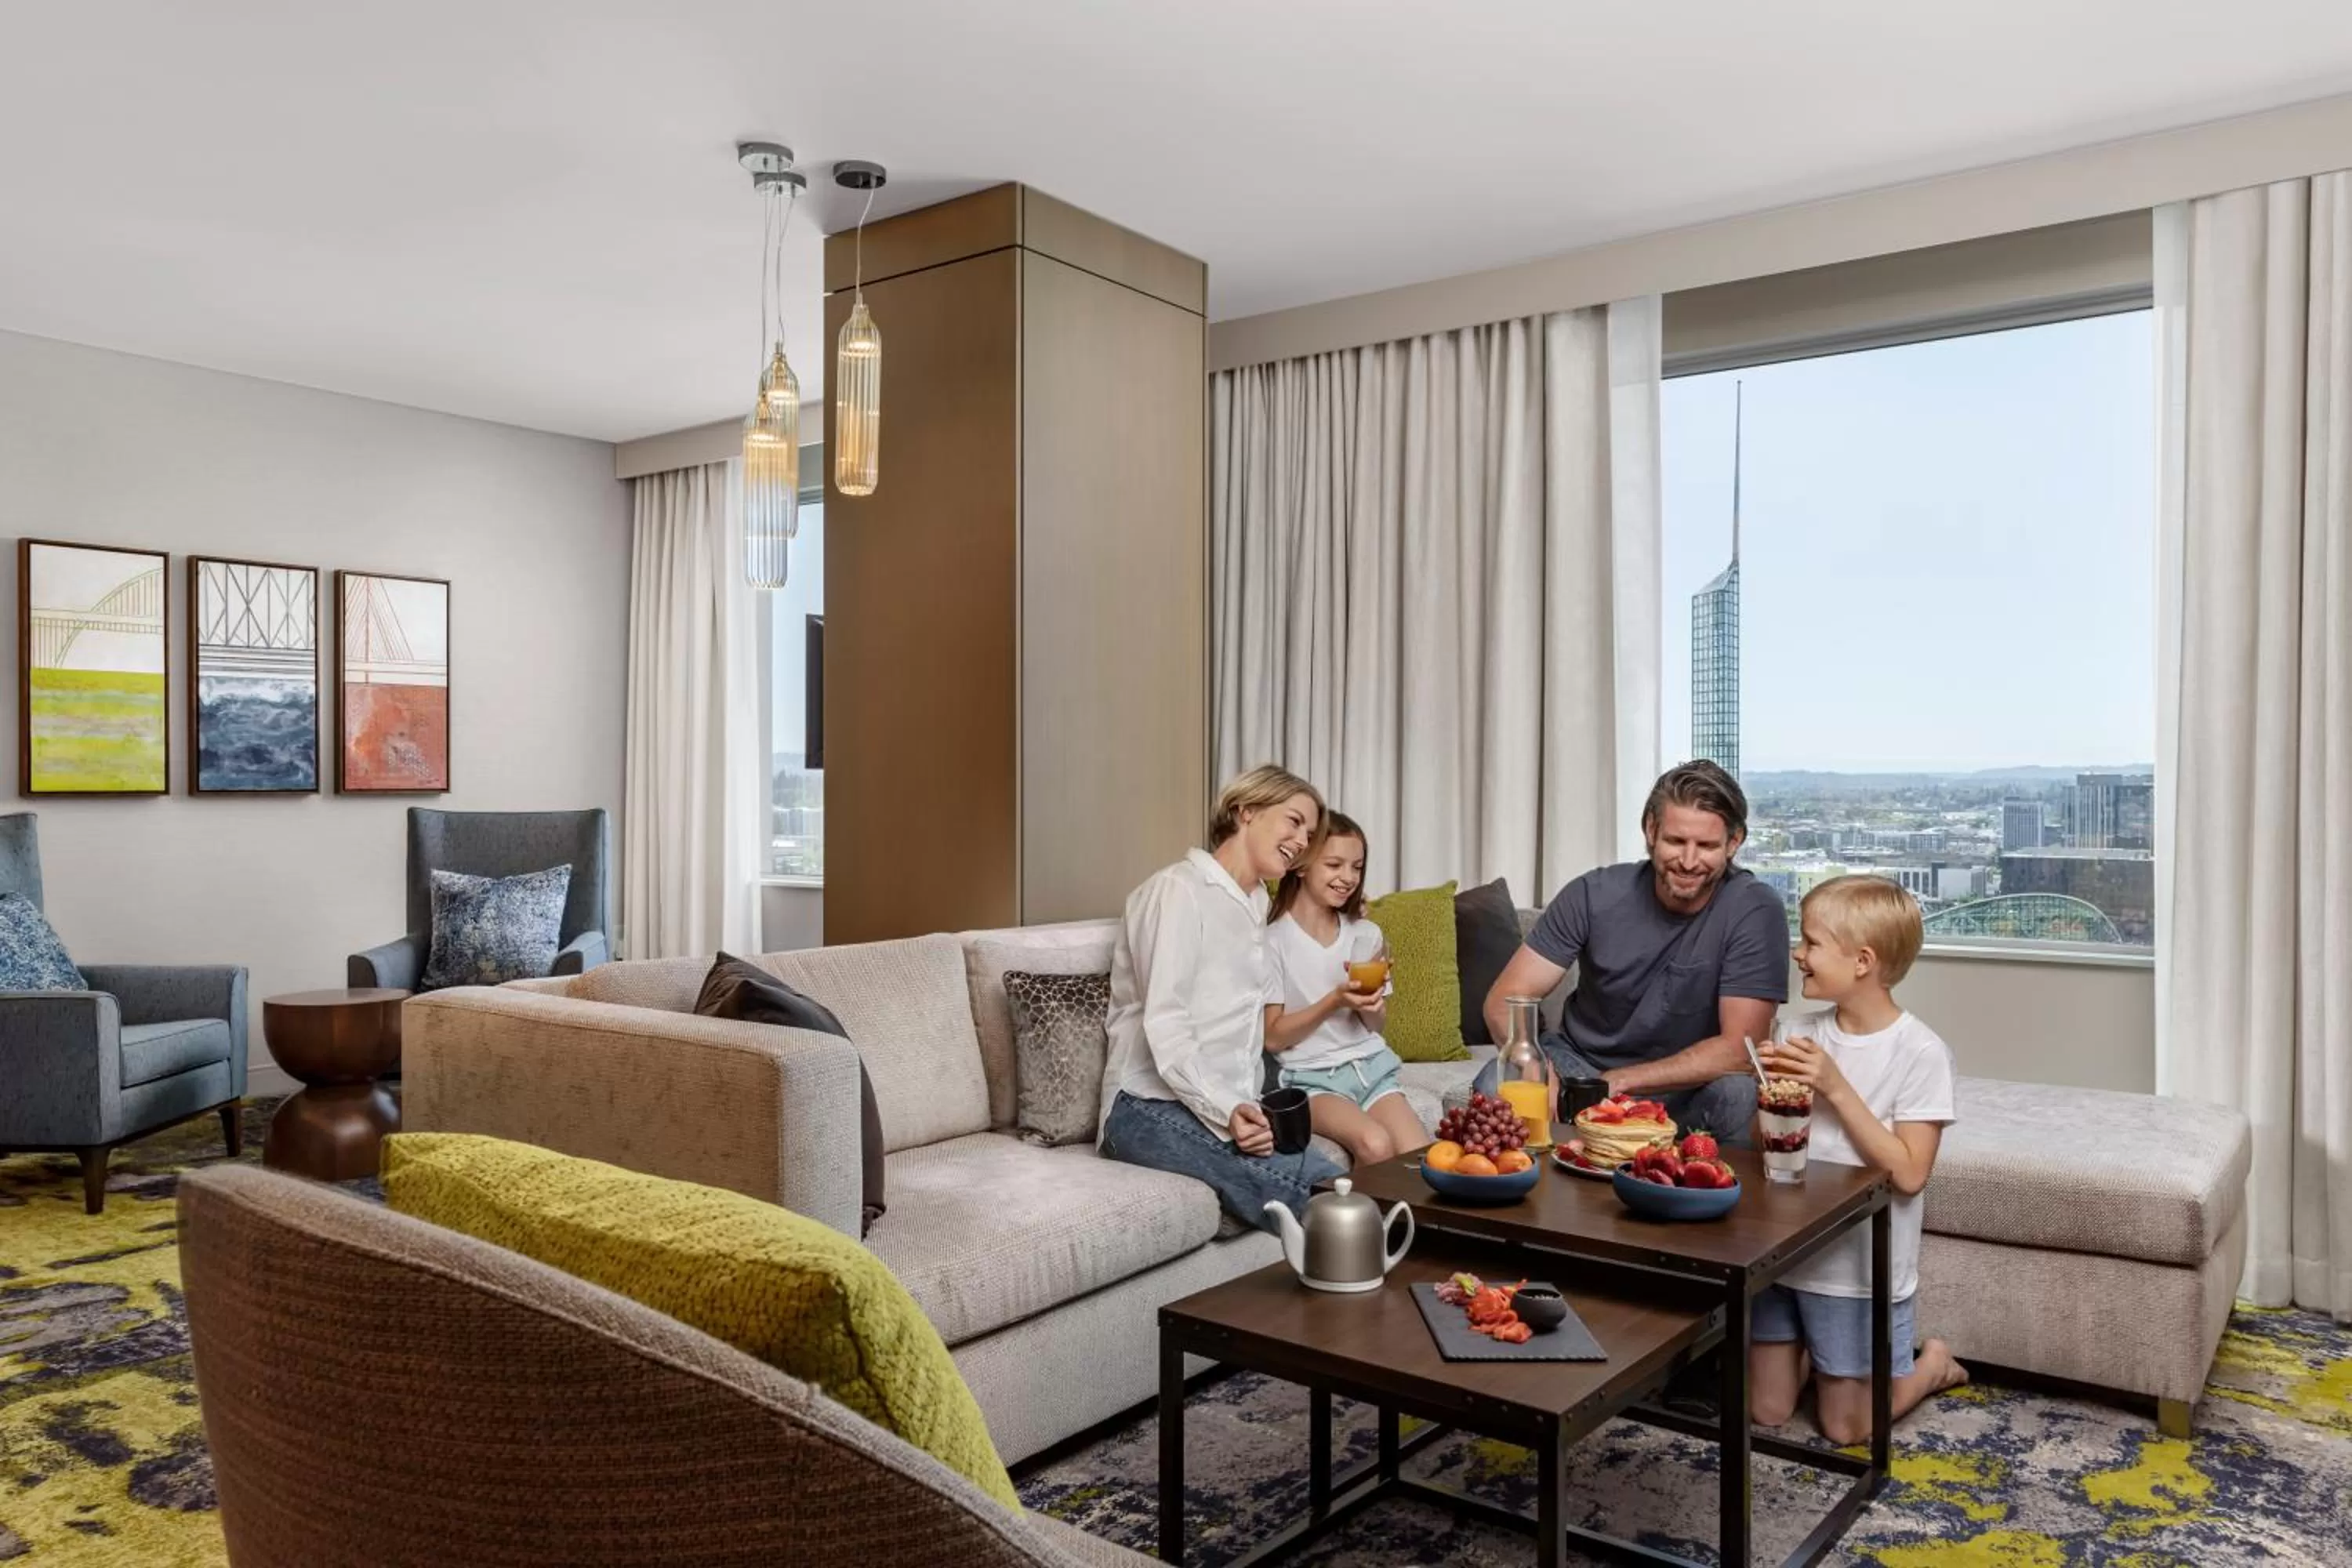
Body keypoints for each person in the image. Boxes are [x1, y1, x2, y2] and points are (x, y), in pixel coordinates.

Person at [1751, 875, 1967, 1443]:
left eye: (1812, 943)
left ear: (1863, 961)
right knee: (1767, 1411)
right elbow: (1768, 1144)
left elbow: (1910, 1174)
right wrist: (1773, 1097)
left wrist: (1836, 1087)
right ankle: (1821, 1360)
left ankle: (1931, 1365)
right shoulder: (1797, 1031)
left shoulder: (1920, 1053)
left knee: (1846, 1430)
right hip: (1782, 1252)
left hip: (1853, 1272)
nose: (1798, 954)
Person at [1483, 760, 1787, 1144]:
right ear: (1650, 830)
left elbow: (1740, 1051)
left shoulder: (1755, 910)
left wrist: (1622, 1082)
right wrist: (1539, 1078)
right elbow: (1503, 1002)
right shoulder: (1592, 894)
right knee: (1498, 1086)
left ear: (1734, 842)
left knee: (1739, 1096)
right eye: (1676, 841)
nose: (1689, 862)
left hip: (1687, 1089)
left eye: (1707, 846)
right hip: (1581, 1073)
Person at [1099, 764, 1344, 1233]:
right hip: (1144, 1106)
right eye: (1294, 821)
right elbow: (1167, 1024)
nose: (1302, 841)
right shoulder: (1177, 891)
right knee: (1327, 1199)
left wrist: (1245, 1104)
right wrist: (1226, 1110)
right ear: (1245, 810)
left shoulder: (1254, 905)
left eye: (1309, 834)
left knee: (1332, 1187)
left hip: (1223, 1100)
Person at [1262, 811, 1425, 1168]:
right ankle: (1364, 1226)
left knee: (1419, 1159)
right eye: (1334, 864)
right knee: (1375, 1143)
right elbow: (1273, 1038)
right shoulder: (1272, 941)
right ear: (1301, 866)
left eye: (1357, 867)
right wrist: (1335, 998)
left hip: (1371, 1068)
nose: (1348, 878)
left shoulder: (1366, 934)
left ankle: (1411, 1227)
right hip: (1309, 1077)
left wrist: (1368, 1002)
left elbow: (1375, 1026)